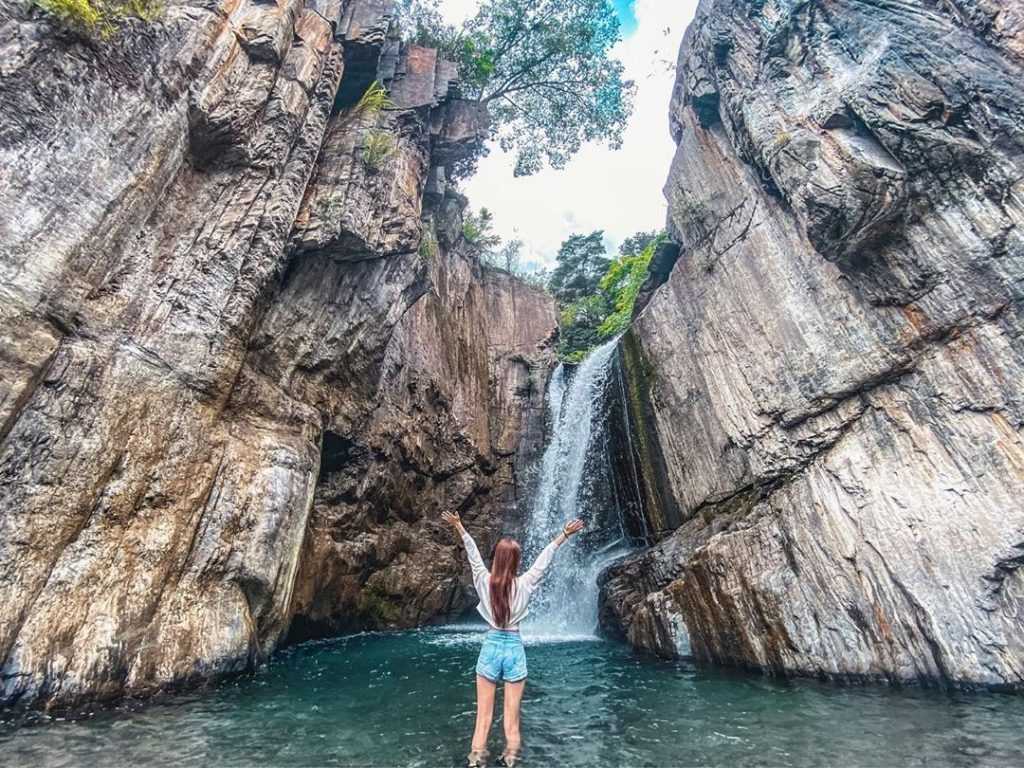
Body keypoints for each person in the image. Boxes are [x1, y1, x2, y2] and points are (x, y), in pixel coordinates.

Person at [441, 510, 585, 767]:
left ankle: (475, 763)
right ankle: (510, 761)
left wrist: (459, 526)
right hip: (515, 648)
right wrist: (564, 535)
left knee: (482, 720)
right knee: (511, 721)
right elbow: (544, 560)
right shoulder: (526, 583)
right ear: (517, 562)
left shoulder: (484, 581)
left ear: (496, 559)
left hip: (491, 646)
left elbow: (473, 555)